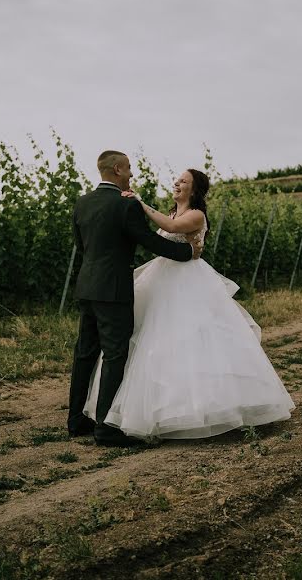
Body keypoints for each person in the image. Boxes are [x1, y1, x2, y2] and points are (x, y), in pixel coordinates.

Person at [83, 168, 294, 439]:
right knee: (152, 340)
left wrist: (139, 203)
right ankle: (152, 410)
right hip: (162, 278)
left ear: (194, 190)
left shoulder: (196, 215)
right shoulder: (171, 213)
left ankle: (207, 408)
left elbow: (171, 229)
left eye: (183, 181)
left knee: (194, 339)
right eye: (177, 180)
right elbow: (159, 238)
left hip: (187, 281)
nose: (177, 183)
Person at [68, 151, 202, 447]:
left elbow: (82, 246)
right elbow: (149, 240)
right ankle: (105, 428)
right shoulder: (124, 204)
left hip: (87, 286)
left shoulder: (83, 202)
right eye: (128, 168)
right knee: (116, 354)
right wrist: (185, 253)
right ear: (117, 169)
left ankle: (76, 419)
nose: (131, 173)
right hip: (114, 289)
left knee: (85, 352)